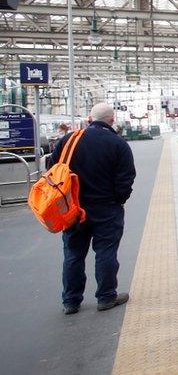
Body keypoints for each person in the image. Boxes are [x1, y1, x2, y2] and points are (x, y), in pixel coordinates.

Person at [48, 103, 136, 315]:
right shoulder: (118, 143)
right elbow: (126, 178)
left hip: (73, 209)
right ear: (112, 121)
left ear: (89, 119)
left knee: (73, 254)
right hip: (106, 208)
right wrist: (118, 200)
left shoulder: (68, 140)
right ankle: (106, 297)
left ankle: (70, 301)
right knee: (105, 251)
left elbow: (52, 170)